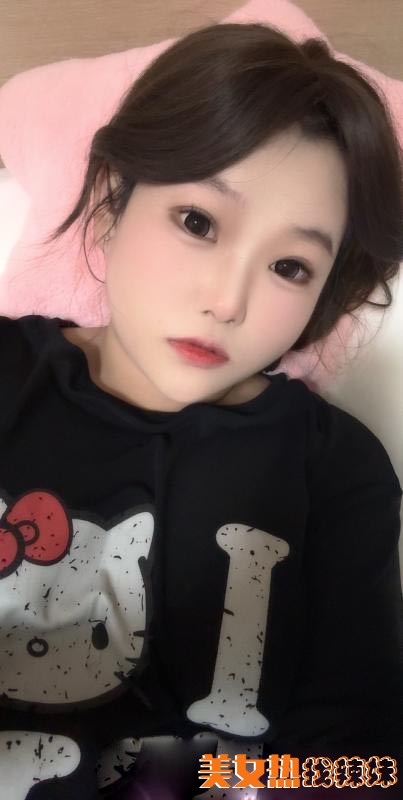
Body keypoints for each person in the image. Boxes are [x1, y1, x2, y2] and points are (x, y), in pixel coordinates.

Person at [0, 21, 402, 800]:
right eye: (197, 222)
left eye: (290, 266)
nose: (227, 301)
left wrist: (180, 779)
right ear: (111, 202)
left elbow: (362, 765)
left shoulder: (335, 471)